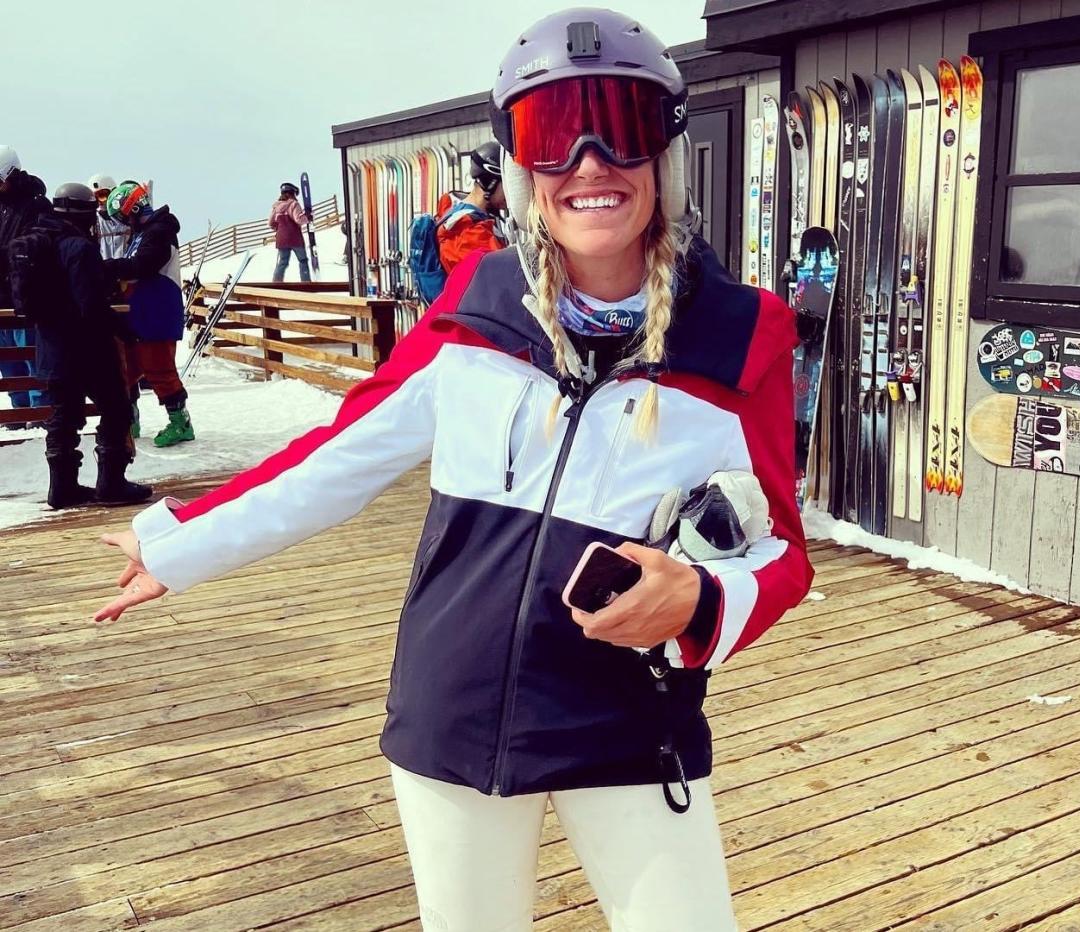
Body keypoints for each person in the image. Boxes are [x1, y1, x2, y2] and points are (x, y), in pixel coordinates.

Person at [94, 9, 810, 929]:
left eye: (620, 129)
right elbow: (337, 459)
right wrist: (178, 542)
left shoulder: (741, 337)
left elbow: (782, 552)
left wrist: (704, 603)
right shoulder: (479, 311)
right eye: (554, 136)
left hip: (627, 719)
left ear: (662, 157)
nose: (589, 163)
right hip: (454, 709)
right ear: (522, 169)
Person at [16, 184, 151, 508]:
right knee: (116, 409)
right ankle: (111, 484)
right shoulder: (79, 247)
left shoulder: (40, 242)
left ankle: (62, 488)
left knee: (64, 416)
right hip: (87, 348)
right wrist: (122, 329)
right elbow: (90, 305)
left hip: (51, 347)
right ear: (84, 213)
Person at [103, 180, 194, 447]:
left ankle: (180, 422)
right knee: (127, 367)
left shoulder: (159, 231)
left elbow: (143, 265)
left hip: (158, 310)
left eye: (121, 216)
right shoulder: (143, 233)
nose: (122, 222)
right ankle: (129, 419)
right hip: (139, 310)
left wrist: (108, 267)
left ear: (130, 208)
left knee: (159, 368)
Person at [0, 144, 49, 418]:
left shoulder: (36, 204)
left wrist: (5, 256)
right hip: (1, 297)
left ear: (12, 174)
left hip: (25, 296)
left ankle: (40, 411)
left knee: (30, 354)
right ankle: (20, 412)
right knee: (8, 360)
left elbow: (35, 246)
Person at [435, 140, 508, 275]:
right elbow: (497, 278)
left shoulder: (460, 211)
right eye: (507, 185)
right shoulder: (468, 231)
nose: (510, 194)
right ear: (491, 183)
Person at [269, 182, 311, 282]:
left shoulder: (276, 206)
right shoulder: (293, 204)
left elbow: (271, 223)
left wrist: (280, 229)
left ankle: (276, 282)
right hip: (294, 237)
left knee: (283, 262)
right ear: (292, 193)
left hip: (281, 239)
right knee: (302, 260)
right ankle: (306, 282)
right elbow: (298, 219)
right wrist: (308, 218)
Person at [88, 174, 130, 260]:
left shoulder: (129, 219)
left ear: (113, 192)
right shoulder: (93, 224)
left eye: (102, 195)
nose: (99, 201)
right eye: (94, 197)